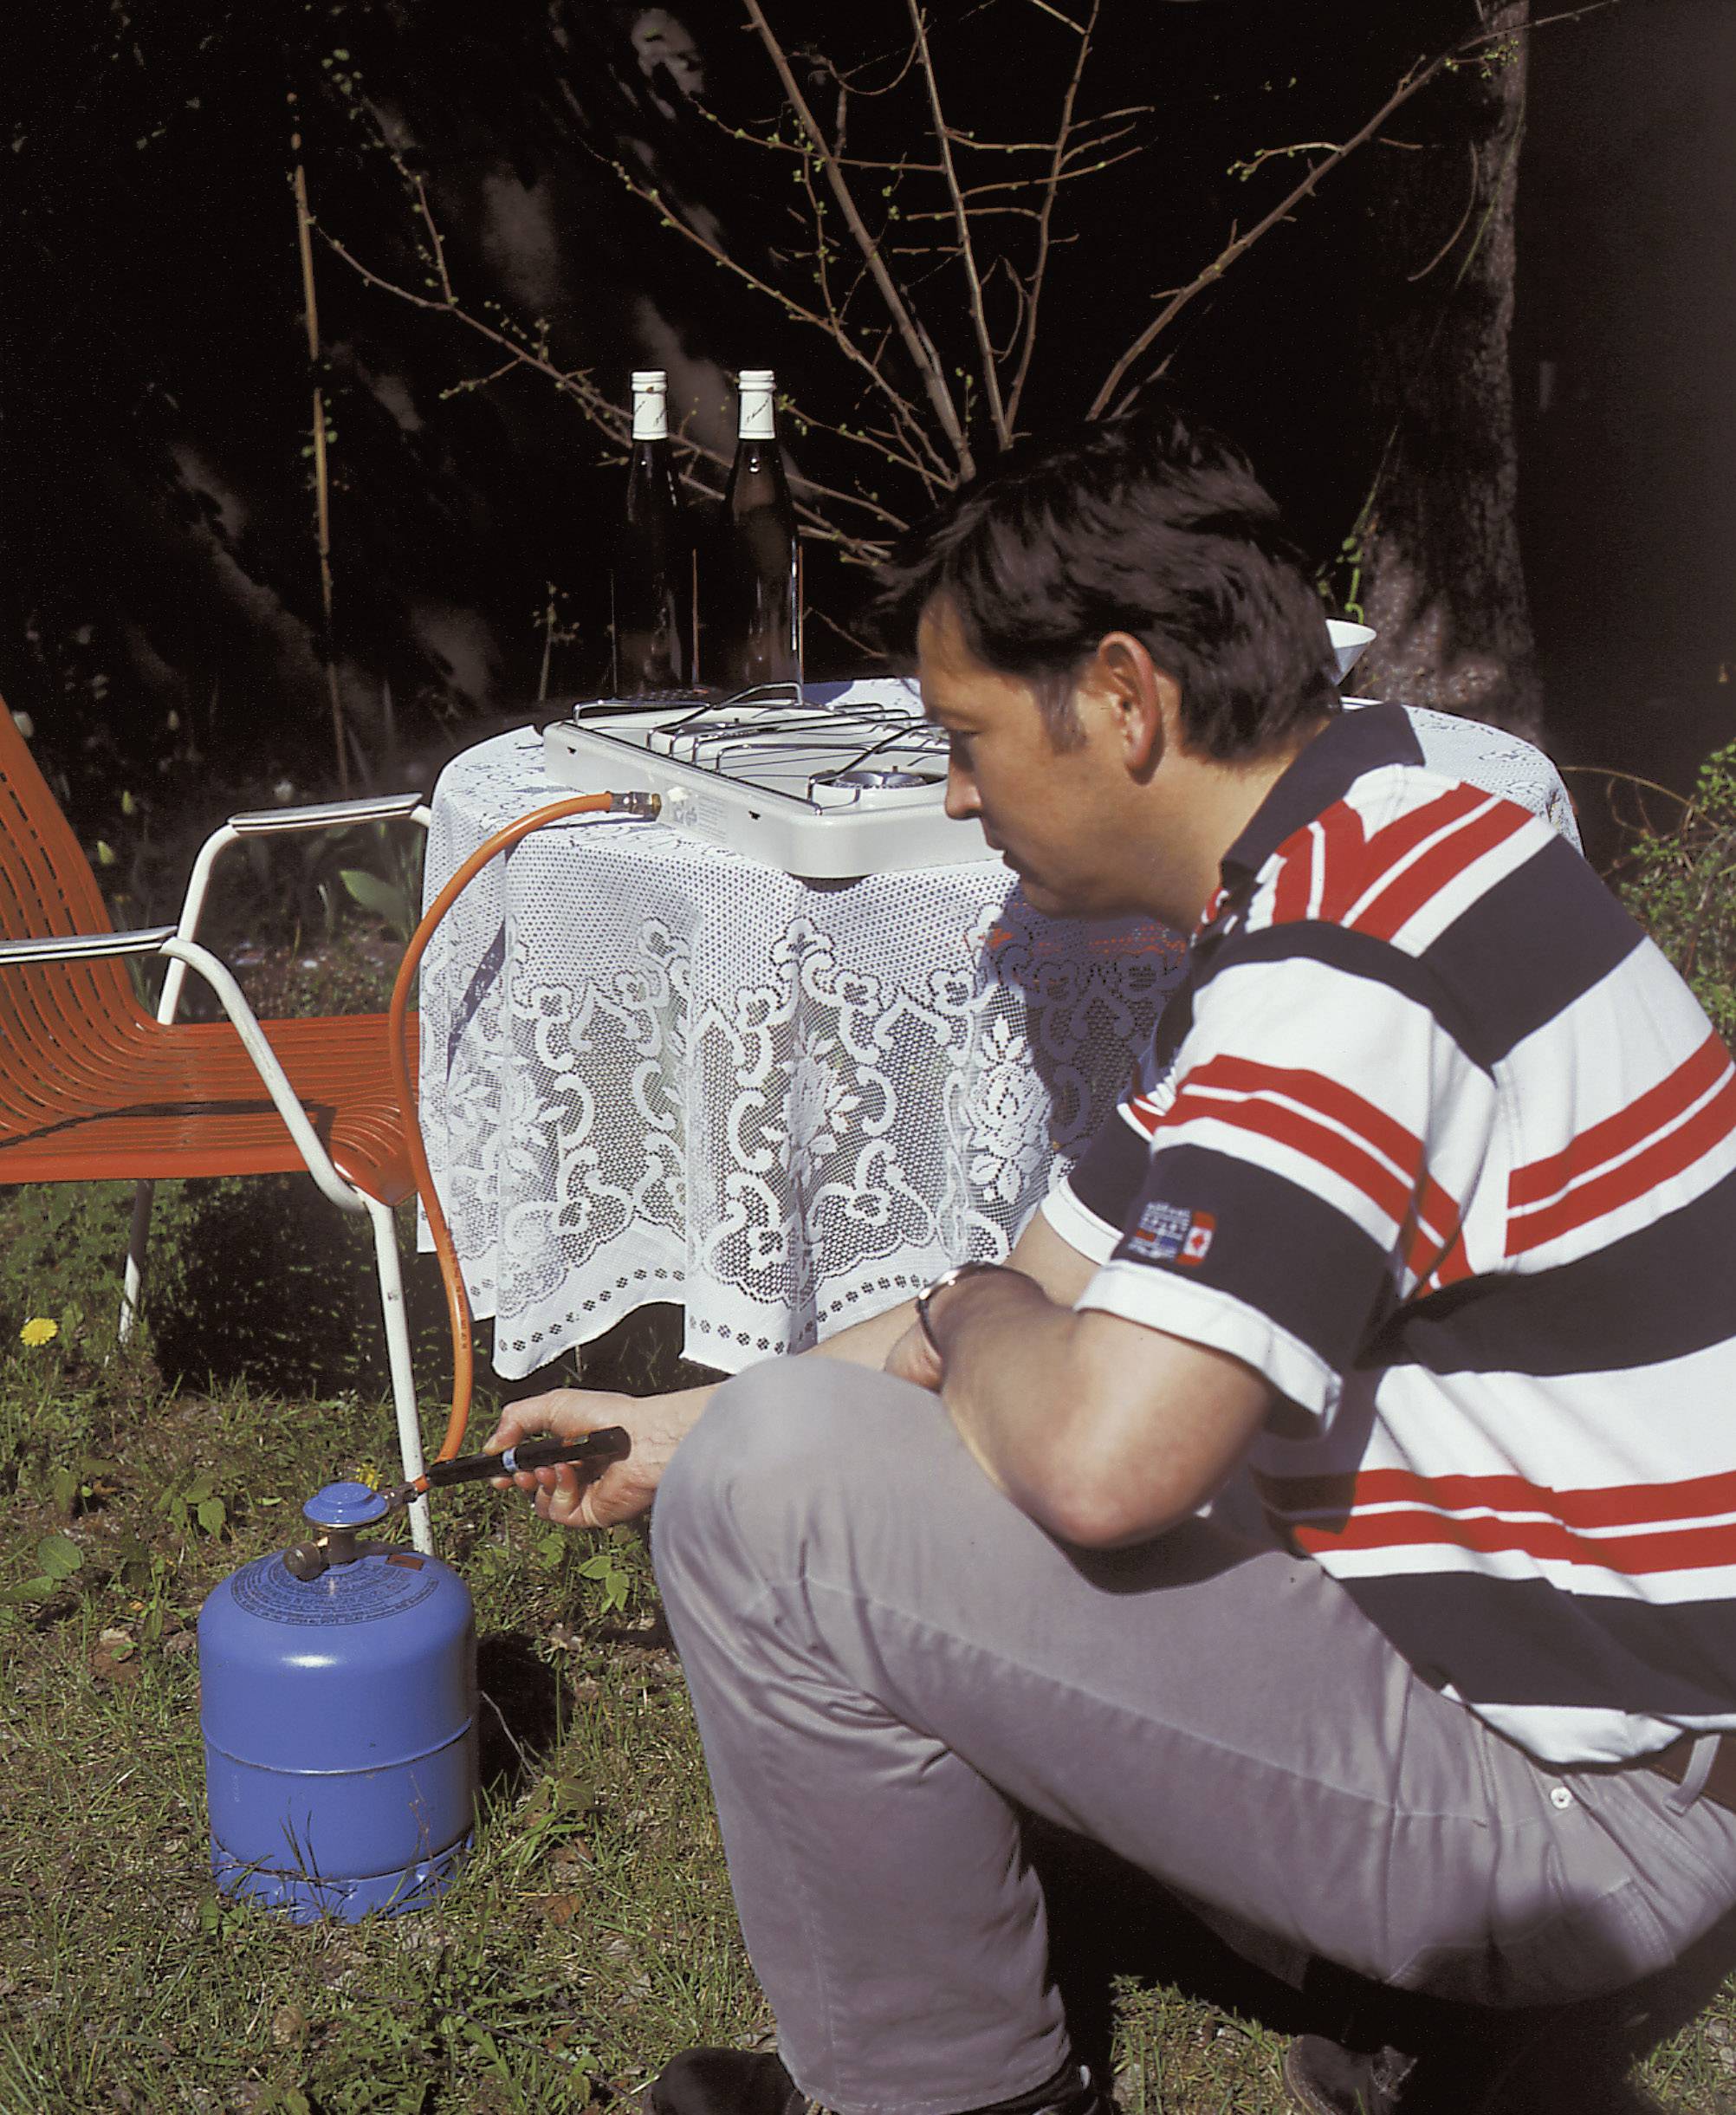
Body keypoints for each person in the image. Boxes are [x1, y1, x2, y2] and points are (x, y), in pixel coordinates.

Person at [489, 407, 1736, 2115]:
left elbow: (1086, 1450)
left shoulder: (1344, 961)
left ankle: (954, 2100)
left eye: (966, 736)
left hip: (1578, 1828)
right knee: (788, 1453)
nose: (951, 791)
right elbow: (1029, 1305)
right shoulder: (1386, 860)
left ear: (1127, 701)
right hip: (1595, 1735)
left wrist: (937, 1339)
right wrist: (667, 1422)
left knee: (792, 1503)